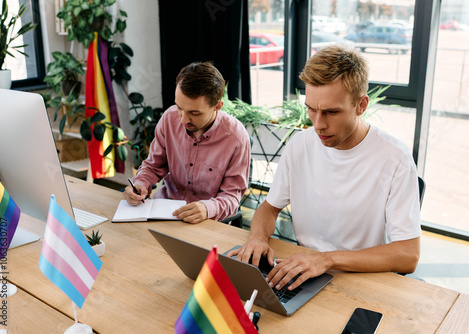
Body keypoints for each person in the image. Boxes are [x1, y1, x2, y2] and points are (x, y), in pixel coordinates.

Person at [229, 44, 421, 291]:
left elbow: (408, 255)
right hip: (303, 274)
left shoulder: (395, 159)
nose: (318, 124)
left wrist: (327, 259)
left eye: (331, 112)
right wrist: (257, 238)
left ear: (361, 105)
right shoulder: (300, 144)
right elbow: (269, 207)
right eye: (311, 108)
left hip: (360, 280)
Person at [124, 62, 251, 224]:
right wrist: (140, 184)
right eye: (179, 108)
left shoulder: (236, 138)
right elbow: (152, 167)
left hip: (205, 222)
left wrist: (207, 208)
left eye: (194, 113)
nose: (183, 119)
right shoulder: (170, 118)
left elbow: (232, 197)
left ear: (217, 106)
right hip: (163, 211)